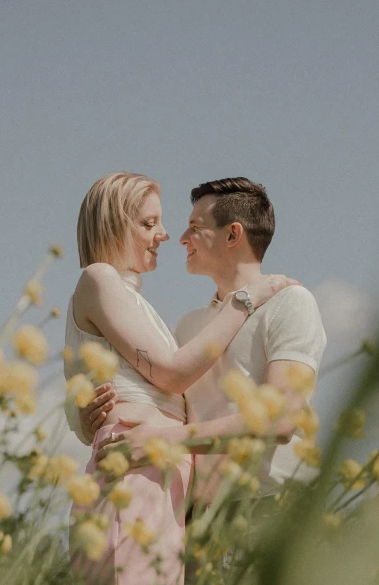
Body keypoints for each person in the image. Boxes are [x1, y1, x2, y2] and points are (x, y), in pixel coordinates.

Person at [64, 172, 297, 585]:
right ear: (116, 223)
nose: (166, 235)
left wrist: (79, 416)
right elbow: (171, 375)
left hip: (162, 471)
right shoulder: (98, 278)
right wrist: (247, 299)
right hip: (136, 465)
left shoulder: (135, 301)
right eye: (149, 223)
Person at [92, 177, 326, 504]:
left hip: (272, 508)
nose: (182, 238)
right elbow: (163, 407)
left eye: (194, 227)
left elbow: (280, 420)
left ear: (232, 234)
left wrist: (161, 441)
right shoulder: (188, 326)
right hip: (197, 515)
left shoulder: (290, 302)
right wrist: (93, 415)